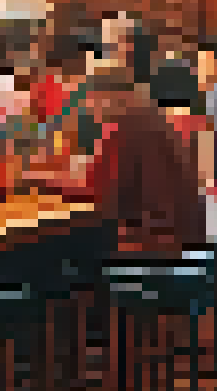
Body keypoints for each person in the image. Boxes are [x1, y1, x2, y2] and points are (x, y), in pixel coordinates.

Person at [26, 71, 206, 254]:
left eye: (92, 105)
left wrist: (46, 180)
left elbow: (100, 195)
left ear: (107, 98)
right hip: (188, 239)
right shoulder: (151, 118)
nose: (93, 114)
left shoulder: (126, 125)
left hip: (159, 246)